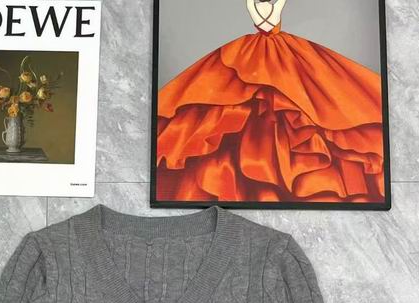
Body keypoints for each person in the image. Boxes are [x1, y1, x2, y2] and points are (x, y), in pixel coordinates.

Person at [157, 0, 385, 204]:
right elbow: (269, 24)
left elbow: (265, 24)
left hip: (264, 52)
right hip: (270, 51)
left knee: (286, 97)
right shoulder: (269, 3)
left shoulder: (254, 3)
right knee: (267, 98)